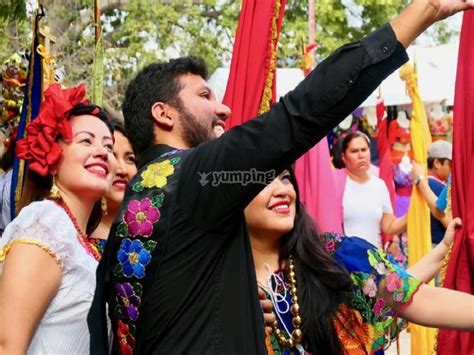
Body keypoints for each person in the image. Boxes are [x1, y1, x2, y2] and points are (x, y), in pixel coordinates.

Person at [88, 1, 474, 353]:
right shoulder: (193, 179)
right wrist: (419, 16)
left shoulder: (137, 208)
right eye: (205, 97)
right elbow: (302, 112)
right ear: (164, 114)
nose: (223, 109)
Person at [245, 168, 473, 354]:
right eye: (264, 181)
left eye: (285, 178)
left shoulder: (334, 255)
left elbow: (404, 293)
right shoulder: (222, 291)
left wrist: (443, 248)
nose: (282, 189)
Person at [0, 84, 117, 354]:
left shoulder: (80, 241)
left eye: (108, 146)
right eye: (86, 141)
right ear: (52, 158)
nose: (102, 152)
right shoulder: (46, 222)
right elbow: (6, 344)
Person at [340, 132, 406, 251]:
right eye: (354, 151)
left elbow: (389, 226)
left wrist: (412, 214)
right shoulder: (338, 184)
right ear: (344, 157)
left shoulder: (379, 185)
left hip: (374, 260)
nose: (361, 155)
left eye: (364, 150)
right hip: (346, 260)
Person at [92, 120, 138, 241]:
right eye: (111, 155)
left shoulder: (152, 233)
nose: (122, 170)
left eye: (130, 159)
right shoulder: (73, 233)